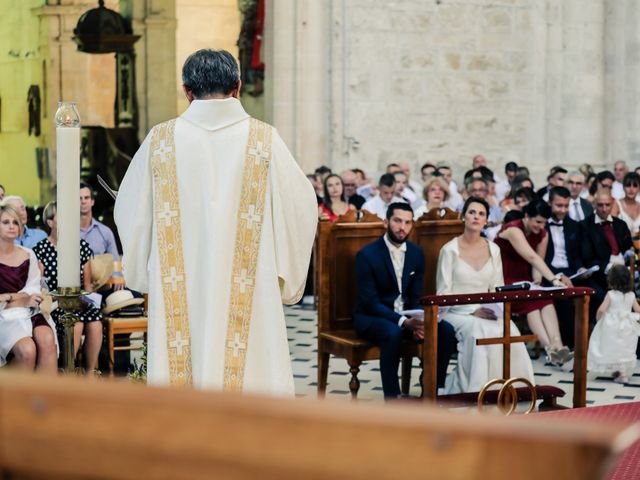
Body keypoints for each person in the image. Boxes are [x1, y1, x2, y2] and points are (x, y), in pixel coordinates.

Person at [114, 49, 317, 394]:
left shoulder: (161, 141)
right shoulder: (264, 140)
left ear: (187, 91)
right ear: (237, 87)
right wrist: (287, 279)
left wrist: (140, 273)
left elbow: (129, 212)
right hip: (250, 292)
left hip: (179, 286)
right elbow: (302, 207)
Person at [353, 202, 455, 399]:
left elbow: (416, 296)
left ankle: (434, 390)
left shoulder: (416, 253)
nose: (403, 227)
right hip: (371, 316)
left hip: (406, 315)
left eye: (408, 222)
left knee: (445, 330)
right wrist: (404, 322)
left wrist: (419, 322)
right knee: (392, 333)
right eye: (397, 221)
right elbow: (369, 302)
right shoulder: (367, 255)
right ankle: (393, 398)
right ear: (386, 222)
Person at [437, 197, 534, 393]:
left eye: (481, 214)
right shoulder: (449, 250)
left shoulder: (494, 249)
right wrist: (473, 310)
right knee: (479, 331)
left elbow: (497, 288)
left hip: (487, 310)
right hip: (457, 312)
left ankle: (512, 392)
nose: (476, 217)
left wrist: (494, 309)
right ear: (463, 216)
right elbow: (443, 294)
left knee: (509, 329)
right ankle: (475, 392)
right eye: (472, 212)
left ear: (486, 220)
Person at [494, 199, 573, 365]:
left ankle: (557, 346)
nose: (541, 227)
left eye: (544, 223)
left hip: (525, 279)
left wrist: (537, 280)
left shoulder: (543, 234)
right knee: (533, 304)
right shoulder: (513, 229)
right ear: (526, 216)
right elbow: (531, 256)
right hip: (504, 279)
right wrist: (553, 278)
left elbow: (537, 262)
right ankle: (550, 348)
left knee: (544, 298)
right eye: (537, 222)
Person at [33, 202, 103, 373]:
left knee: (96, 323)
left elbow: (86, 286)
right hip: (54, 303)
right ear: (50, 223)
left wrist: (88, 298)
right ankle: (67, 372)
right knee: (76, 323)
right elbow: (39, 286)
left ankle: (89, 375)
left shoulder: (81, 247)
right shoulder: (41, 249)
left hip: (78, 300)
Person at [0, 203, 57, 372]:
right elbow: (15, 298)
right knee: (28, 350)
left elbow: (33, 290)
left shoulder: (28, 254)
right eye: (5, 222)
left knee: (47, 339)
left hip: (29, 312)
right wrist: (16, 298)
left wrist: (13, 297)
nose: (12, 226)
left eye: (15, 222)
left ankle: (45, 396)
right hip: (4, 316)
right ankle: (16, 396)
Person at [588, 264, 640, 384]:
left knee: (612, 347)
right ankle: (621, 372)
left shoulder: (611, 294)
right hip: (627, 325)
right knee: (624, 348)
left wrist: (598, 320)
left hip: (611, 325)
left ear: (611, 280)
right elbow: (637, 310)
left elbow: (601, 310)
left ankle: (621, 374)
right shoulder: (631, 295)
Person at [581, 191, 632, 294]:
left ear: (612, 204)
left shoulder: (620, 224)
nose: (604, 209)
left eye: (607, 205)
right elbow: (587, 257)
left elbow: (628, 248)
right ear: (594, 204)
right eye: (600, 205)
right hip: (601, 273)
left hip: (624, 270)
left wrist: (628, 264)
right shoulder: (585, 225)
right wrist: (609, 268)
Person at [79, 182, 120, 259]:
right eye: (79, 198)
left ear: (92, 201)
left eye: (86, 197)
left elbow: (115, 264)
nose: (83, 201)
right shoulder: (68, 233)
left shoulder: (105, 232)